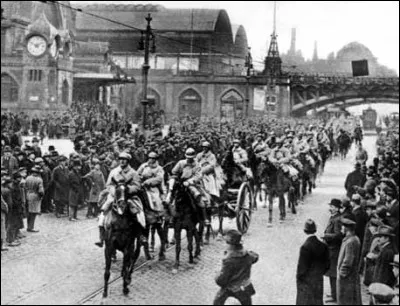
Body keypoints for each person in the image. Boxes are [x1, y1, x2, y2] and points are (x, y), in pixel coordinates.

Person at [213, 229, 259, 305]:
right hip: (244, 286)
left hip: (230, 287)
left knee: (217, 301)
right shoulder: (248, 255)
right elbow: (256, 257)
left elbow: (222, 280)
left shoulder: (228, 260)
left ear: (230, 245)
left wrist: (217, 275)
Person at [169, 148, 209, 225]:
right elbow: (174, 172)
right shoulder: (181, 163)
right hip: (180, 182)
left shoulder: (197, 164)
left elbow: (199, 175)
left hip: (192, 184)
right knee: (172, 195)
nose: (189, 159)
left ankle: (204, 217)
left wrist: (190, 181)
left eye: (191, 158)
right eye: (188, 158)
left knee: (198, 196)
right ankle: (172, 216)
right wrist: (176, 177)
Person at [296, 219, 330, 305]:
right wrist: (319, 273)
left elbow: (302, 268)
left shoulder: (305, 247)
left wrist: (299, 278)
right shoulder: (323, 245)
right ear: (315, 230)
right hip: (318, 279)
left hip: (307, 282)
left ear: (304, 231)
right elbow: (327, 264)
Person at [322, 199, 343, 304]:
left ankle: (335, 296)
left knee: (333, 273)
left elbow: (338, 235)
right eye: (330, 206)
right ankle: (333, 293)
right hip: (331, 249)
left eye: (332, 206)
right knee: (331, 273)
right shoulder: (334, 217)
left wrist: (326, 236)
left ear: (337, 208)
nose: (330, 208)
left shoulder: (337, 219)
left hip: (334, 249)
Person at [337, 218, 362, 305]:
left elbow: (348, 260)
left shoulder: (350, 242)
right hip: (351, 276)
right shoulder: (353, 239)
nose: (341, 229)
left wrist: (341, 274)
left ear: (346, 228)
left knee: (347, 300)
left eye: (342, 227)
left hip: (347, 278)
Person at [25, 166, 44, 233]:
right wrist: (41, 196)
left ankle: (28, 226)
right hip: (35, 196)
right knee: (33, 213)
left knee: (29, 212)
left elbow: (25, 187)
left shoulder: (27, 178)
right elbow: (41, 191)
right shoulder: (39, 179)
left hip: (28, 194)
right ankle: (31, 227)